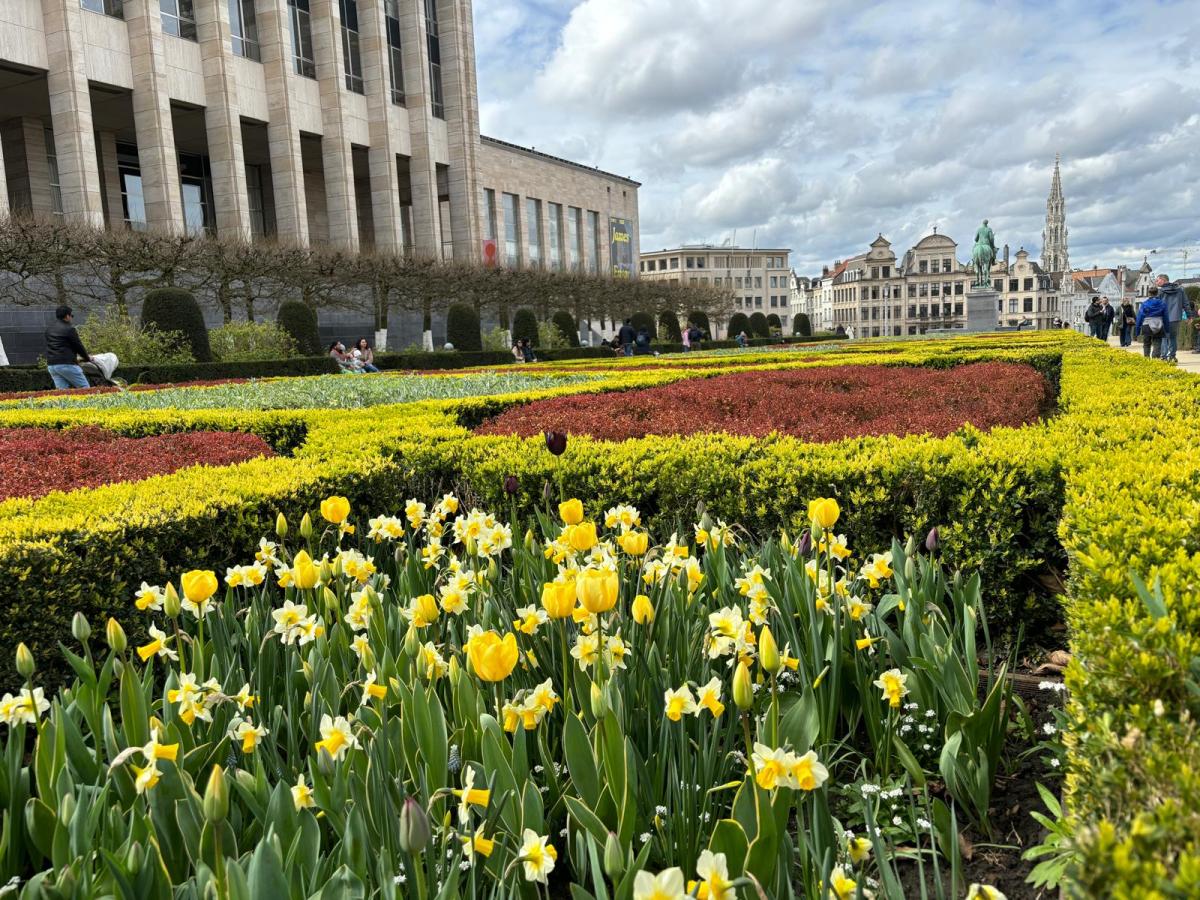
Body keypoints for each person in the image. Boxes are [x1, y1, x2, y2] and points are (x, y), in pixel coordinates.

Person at [45, 305, 92, 389]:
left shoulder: (49, 329)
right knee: (85, 388)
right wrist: (87, 358)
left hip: (52, 365)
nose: (71, 318)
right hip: (66, 364)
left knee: (62, 393)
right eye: (72, 316)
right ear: (67, 316)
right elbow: (78, 346)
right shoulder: (69, 329)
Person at [1155, 274, 1187, 362]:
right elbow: (1185, 303)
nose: (1156, 282)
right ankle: (1172, 356)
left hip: (1163, 318)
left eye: (1157, 280)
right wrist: (1190, 315)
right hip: (1175, 317)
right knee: (1173, 337)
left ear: (1163, 280)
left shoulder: (1160, 292)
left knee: (1164, 337)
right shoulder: (1180, 290)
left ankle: (1163, 357)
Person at [1135, 286, 1169, 359]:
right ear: (1157, 293)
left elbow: (1140, 317)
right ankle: (1155, 359)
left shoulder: (1144, 304)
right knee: (1157, 343)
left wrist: (1137, 331)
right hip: (1159, 325)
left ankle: (1147, 360)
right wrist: (1167, 330)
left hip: (1147, 325)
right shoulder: (1162, 303)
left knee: (1147, 344)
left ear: (1149, 293)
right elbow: (1166, 317)